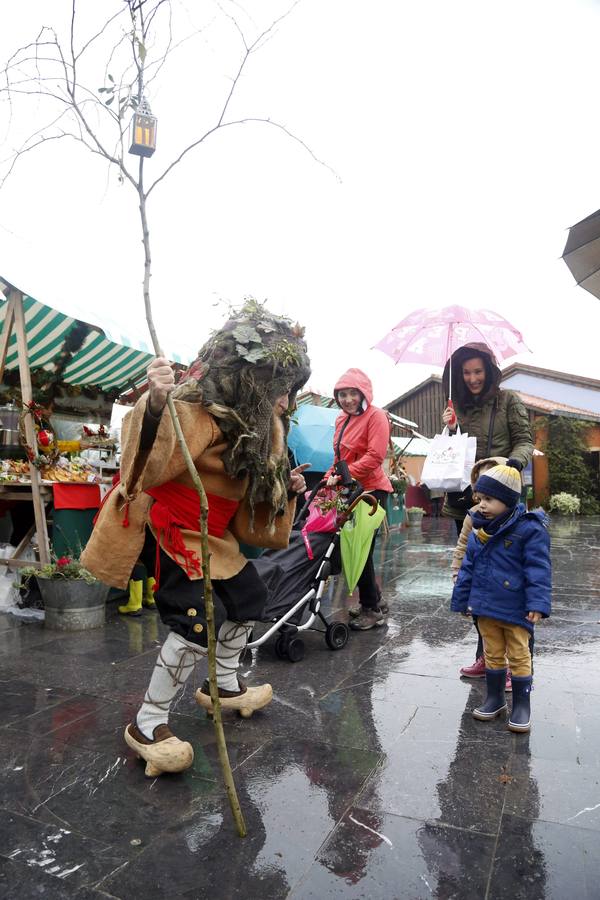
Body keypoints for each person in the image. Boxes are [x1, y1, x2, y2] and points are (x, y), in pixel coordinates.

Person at [81, 302, 311, 777]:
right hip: (169, 526)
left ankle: (221, 686)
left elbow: (253, 510)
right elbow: (141, 467)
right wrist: (157, 404)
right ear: (250, 381)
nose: (286, 402)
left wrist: (283, 489)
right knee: (196, 622)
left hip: (214, 535)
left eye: (289, 392)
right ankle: (148, 723)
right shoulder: (192, 409)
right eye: (280, 391)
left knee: (249, 597)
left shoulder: (260, 429)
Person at [441, 343, 534, 672]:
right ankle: (487, 655)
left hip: (503, 500)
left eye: (478, 371)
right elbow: (453, 453)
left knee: (507, 578)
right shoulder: (459, 407)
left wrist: (513, 464)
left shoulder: (509, 401)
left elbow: (525, 439)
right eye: (466, 372)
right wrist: (451, 428)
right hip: (469, 502)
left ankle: (515, 659)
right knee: (477, 579)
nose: (472, 378)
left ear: (489, 370)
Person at [451, 461, 551, 733]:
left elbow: (538, 568)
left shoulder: (529, 529)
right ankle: (494, 698)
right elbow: (468, 568)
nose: (481, 505)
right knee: (492, 653)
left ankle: (521, 704)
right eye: (479, 498)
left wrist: (537, 603)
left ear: (508, 500)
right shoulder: (478, 531)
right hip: (485, 607)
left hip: (515, 608)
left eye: (488, 499)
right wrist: (463, 600)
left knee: (518, 655)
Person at [325, 368, 392, 631]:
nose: (348, 399)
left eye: (353, 393)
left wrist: (345, 475)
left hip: (371, 492)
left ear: (363, 393)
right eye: (342, 394)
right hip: (349, 490)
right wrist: (332, 475)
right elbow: (339, 458)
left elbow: (375, 457)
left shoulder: (376, 416)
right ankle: (373, 598)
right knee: (356, 548)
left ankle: (371, 610)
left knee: (360, 549)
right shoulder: (341, 420)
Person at [451, 455, 513, 692]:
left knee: (506, 625)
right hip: (479, 579)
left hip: (506, 582)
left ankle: (510, 668)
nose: (484, 500)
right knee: (482, 621)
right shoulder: (474, 514)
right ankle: (487, 659)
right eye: (481, 488)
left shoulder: (515, 517)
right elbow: (462, 545)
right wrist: (457, 574)